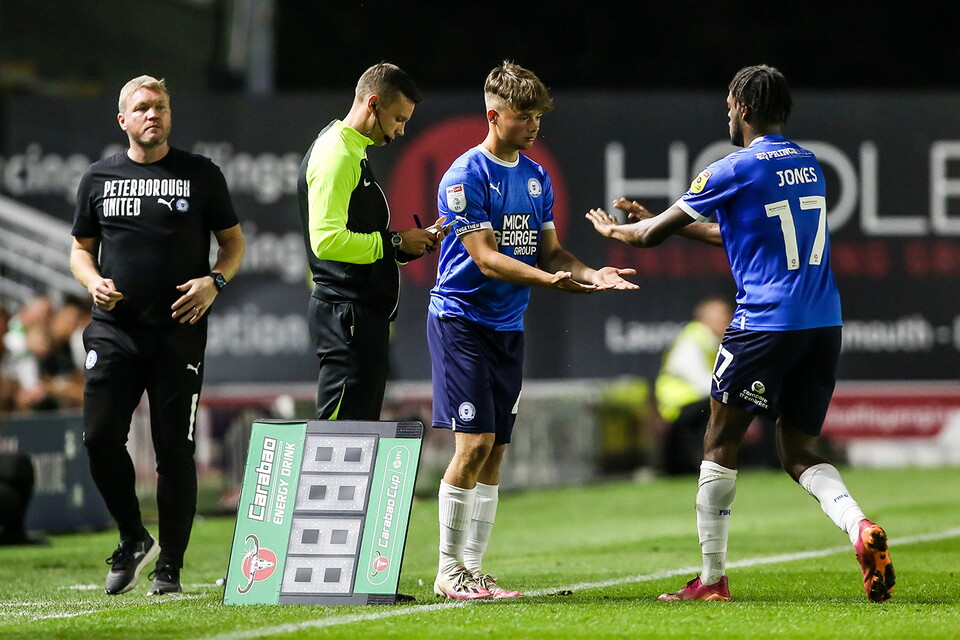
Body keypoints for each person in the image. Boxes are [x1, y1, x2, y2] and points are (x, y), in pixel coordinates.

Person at [586, 64, 894, 603]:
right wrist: (671, 220)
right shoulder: (810, 163)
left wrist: (620, 231)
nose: (727, 113)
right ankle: (859, 528)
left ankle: (710, 580)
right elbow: (743, 234)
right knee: (798, 451)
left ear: (744, 110)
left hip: (764, 324)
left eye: (730, 105)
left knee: (719, 441)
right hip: (822, 323)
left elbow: (648, 239)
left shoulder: (731, 167)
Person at [429, 61, 638, 600]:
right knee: (471, 444)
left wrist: (592, 273)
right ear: (495, 115)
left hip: (506, 326)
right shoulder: (464, 176)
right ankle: (448, 570)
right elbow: (485, 258)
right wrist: (550, 280)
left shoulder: (536, 175)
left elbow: (553, 251)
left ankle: (473, 570)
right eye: (525, 116)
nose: (535, 125)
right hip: (462, 321)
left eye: (539, 116)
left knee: (496, 450)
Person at [70, 75, 245, 596]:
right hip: (114, 332)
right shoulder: (98, 178)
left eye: (162, 107)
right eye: (143, 108)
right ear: (123, 120)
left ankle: (170, 564)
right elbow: (80, 248)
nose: (154, 115)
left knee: (175, 450)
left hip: (179, 333)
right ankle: (131, 537)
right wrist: (91, 280)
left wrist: (215, 281)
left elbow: (233, 244)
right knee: (99, 438)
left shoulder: (201, 174)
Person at [298, 62, 444, 421]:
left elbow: (360, 236)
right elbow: (327, 242)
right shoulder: (337, 153)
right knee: (334, 444)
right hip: (346, 316)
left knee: (356, 441)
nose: (401, 130)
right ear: (373, 104)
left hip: (358, 317)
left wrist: (407, 245)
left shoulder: (351, 147)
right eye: (398, 119)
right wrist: (395, 242)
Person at [656, 295, 733, 475]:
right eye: (722, 315)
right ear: (705, 319)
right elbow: (700, 381)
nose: (728, 319)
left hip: (697, 401)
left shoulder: (714, 340)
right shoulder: (692, 339)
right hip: (680, 405)